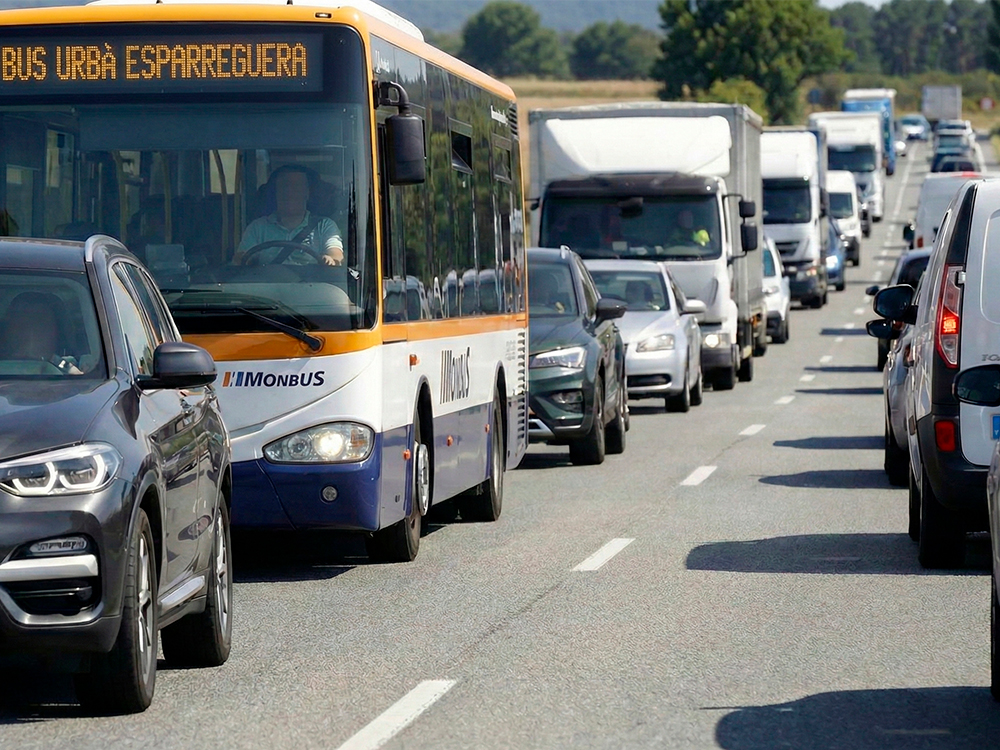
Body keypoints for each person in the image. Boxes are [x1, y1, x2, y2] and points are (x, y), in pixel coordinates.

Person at [234, 166, 343, 266]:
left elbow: (336, 255)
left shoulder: (324, 226)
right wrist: (244, 259)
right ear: (275, 192)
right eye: (284, 186)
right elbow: (240, 259)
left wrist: (331, 260)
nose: (290, 192)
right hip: (266, 281)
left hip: (312, 282)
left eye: (297, 187)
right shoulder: (257, 227)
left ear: (307, 193)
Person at [0, 291, 82, 374]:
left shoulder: (64, 367)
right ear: (6, 330)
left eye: (40, 323)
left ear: (57, 335)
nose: (31, 332)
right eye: (22, 323)